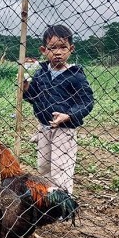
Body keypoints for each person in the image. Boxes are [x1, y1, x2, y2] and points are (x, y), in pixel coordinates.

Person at [23, 24, 94, 194]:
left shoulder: (76, 76)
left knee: (61, 167)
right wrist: (25, 87)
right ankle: (49, 197)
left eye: (63, 47)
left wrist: (69, 115)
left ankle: (63, 203)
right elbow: (34, 97)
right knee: (44, 165)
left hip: (64, 129)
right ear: (43, 50)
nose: (58, 52)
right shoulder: (41, 72)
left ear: (71, 49)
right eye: (52, 48)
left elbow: (87, 101)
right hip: (44, 127)